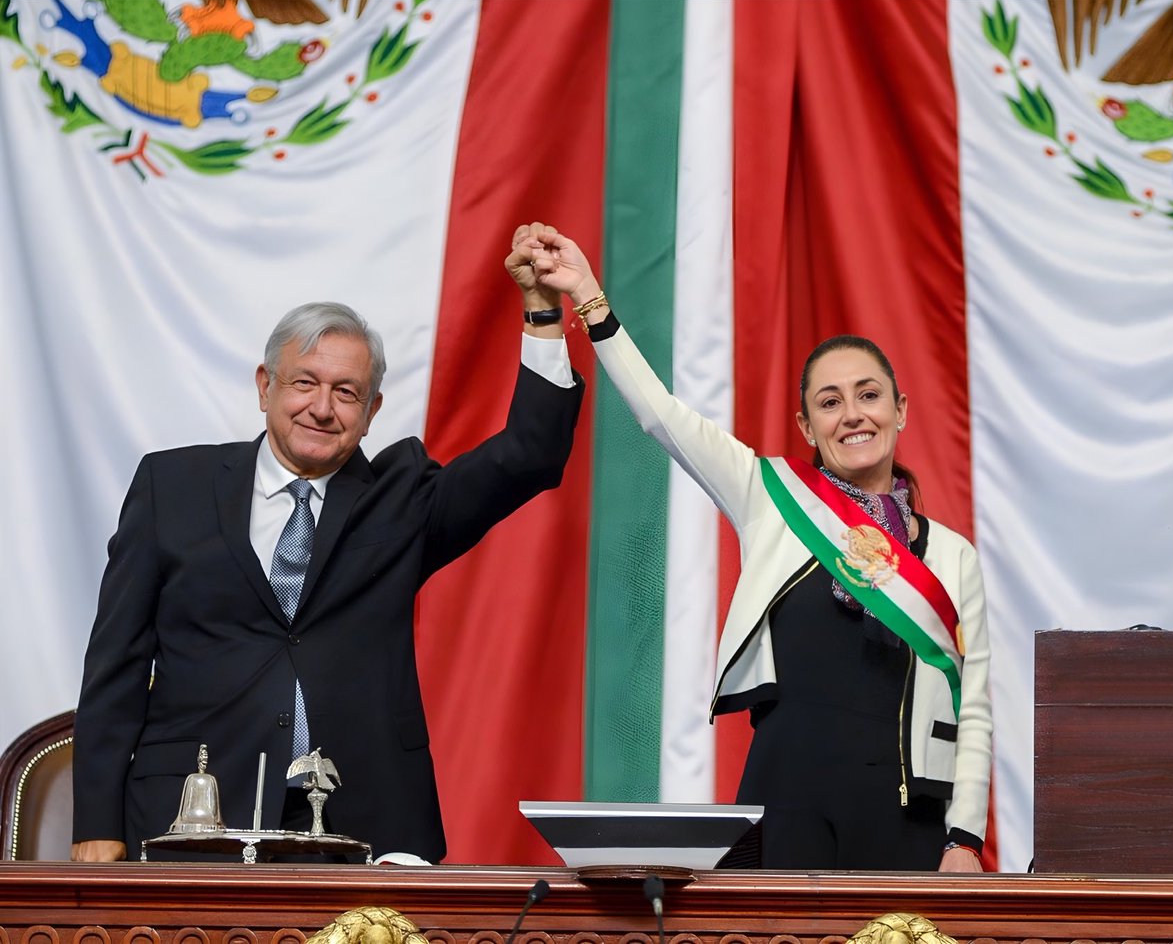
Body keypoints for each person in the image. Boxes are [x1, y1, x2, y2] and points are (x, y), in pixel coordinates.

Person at [507, 222, 991, 872]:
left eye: (869, 396)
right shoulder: (767, 493)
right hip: (789, 795)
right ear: (807, 427)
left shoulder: (953, 556)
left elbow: (977, 707)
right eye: (830, 402)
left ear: (900, 410)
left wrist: (964, 839)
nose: (853, 414)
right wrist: (589, 294)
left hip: (910, 812)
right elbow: (661, 415)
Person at [71, 298, 583, 863]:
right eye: (304, 383)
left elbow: (530, 454)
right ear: (266, 386)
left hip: (360, 821)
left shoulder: (402, 501)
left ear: (372, 411)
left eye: (346, 392)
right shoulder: (170, 487)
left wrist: (540, 315)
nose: (321, 408)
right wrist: (96, 823)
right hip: (194, 814)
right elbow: (115, 666)